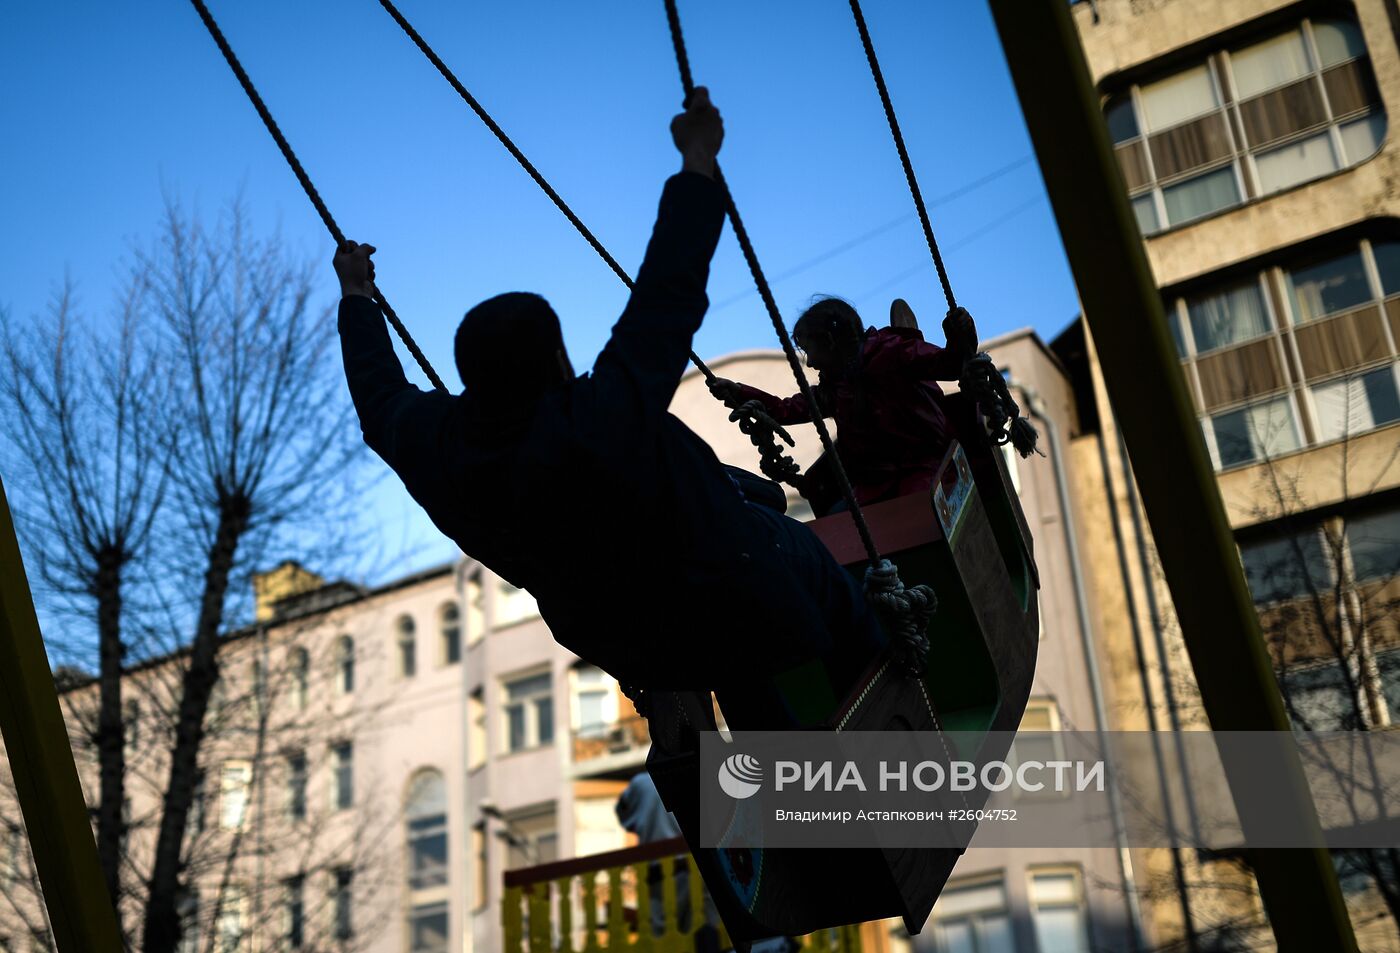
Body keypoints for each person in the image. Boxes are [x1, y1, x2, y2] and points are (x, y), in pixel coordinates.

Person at [334, 89, 883, 727]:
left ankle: (794, 791)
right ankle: (893, 715)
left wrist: (355, 298)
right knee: (808, 574)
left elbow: (378, 399)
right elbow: (668, 289)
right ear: (557, 362)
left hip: (627, 635)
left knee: (727, 643)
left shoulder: (440, 447)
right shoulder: (600, 414)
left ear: (470, 378)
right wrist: (699, 156)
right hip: (728, 584)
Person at [708, 296, 978, 514]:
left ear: (830, 342)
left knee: (914, 515)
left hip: (925, 470)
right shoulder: (835, 387)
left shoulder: (894, 351)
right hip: (875, 486)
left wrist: (959, 335)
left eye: (809, 350)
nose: (810, 362)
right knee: (841, 525)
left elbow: (951, 364)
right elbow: (785, 410)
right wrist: (740, 392)